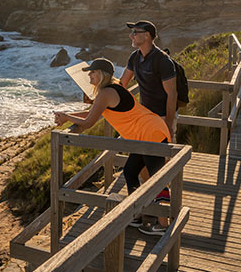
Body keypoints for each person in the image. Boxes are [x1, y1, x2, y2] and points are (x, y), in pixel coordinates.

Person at [54, 58, 171, 236]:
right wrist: (67, 115)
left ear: (101, 74)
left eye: (92, 72)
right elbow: (92, 112)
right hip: (146, 132)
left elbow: (88, 121)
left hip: (151, 133)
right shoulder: (111, 90)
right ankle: (137, 213)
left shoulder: (106, 93)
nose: (89, 75)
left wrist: (68, 117)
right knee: (131, 171)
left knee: (156, 177)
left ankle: (163, 225)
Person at [119, 21, 177, 138]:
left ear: (147, 35)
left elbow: (172, 94)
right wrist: (101, 88)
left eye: (135, 32)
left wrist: (168, 124)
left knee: (161, 155)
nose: (131, 36)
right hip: (144, 116)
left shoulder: (163, 61)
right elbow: (121, 84)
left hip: (162, 117)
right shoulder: (134, 57)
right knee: (143, 152)